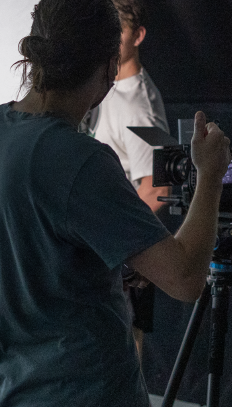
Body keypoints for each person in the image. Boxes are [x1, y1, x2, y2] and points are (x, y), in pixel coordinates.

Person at [0, 0, 231, 407]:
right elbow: (187, 279)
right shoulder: (78, 158)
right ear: (107, 67)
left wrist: (117, 248)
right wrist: (209, 175)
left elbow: (26, 248)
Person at [80, 0, 169, 354]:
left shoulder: (138, 106)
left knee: (122, 356)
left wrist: (113, 244)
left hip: (120, 259)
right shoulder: (107, 88)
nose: (111, 38)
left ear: (139, 35)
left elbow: (160, 184)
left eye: (120, 30)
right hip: (107, 253)